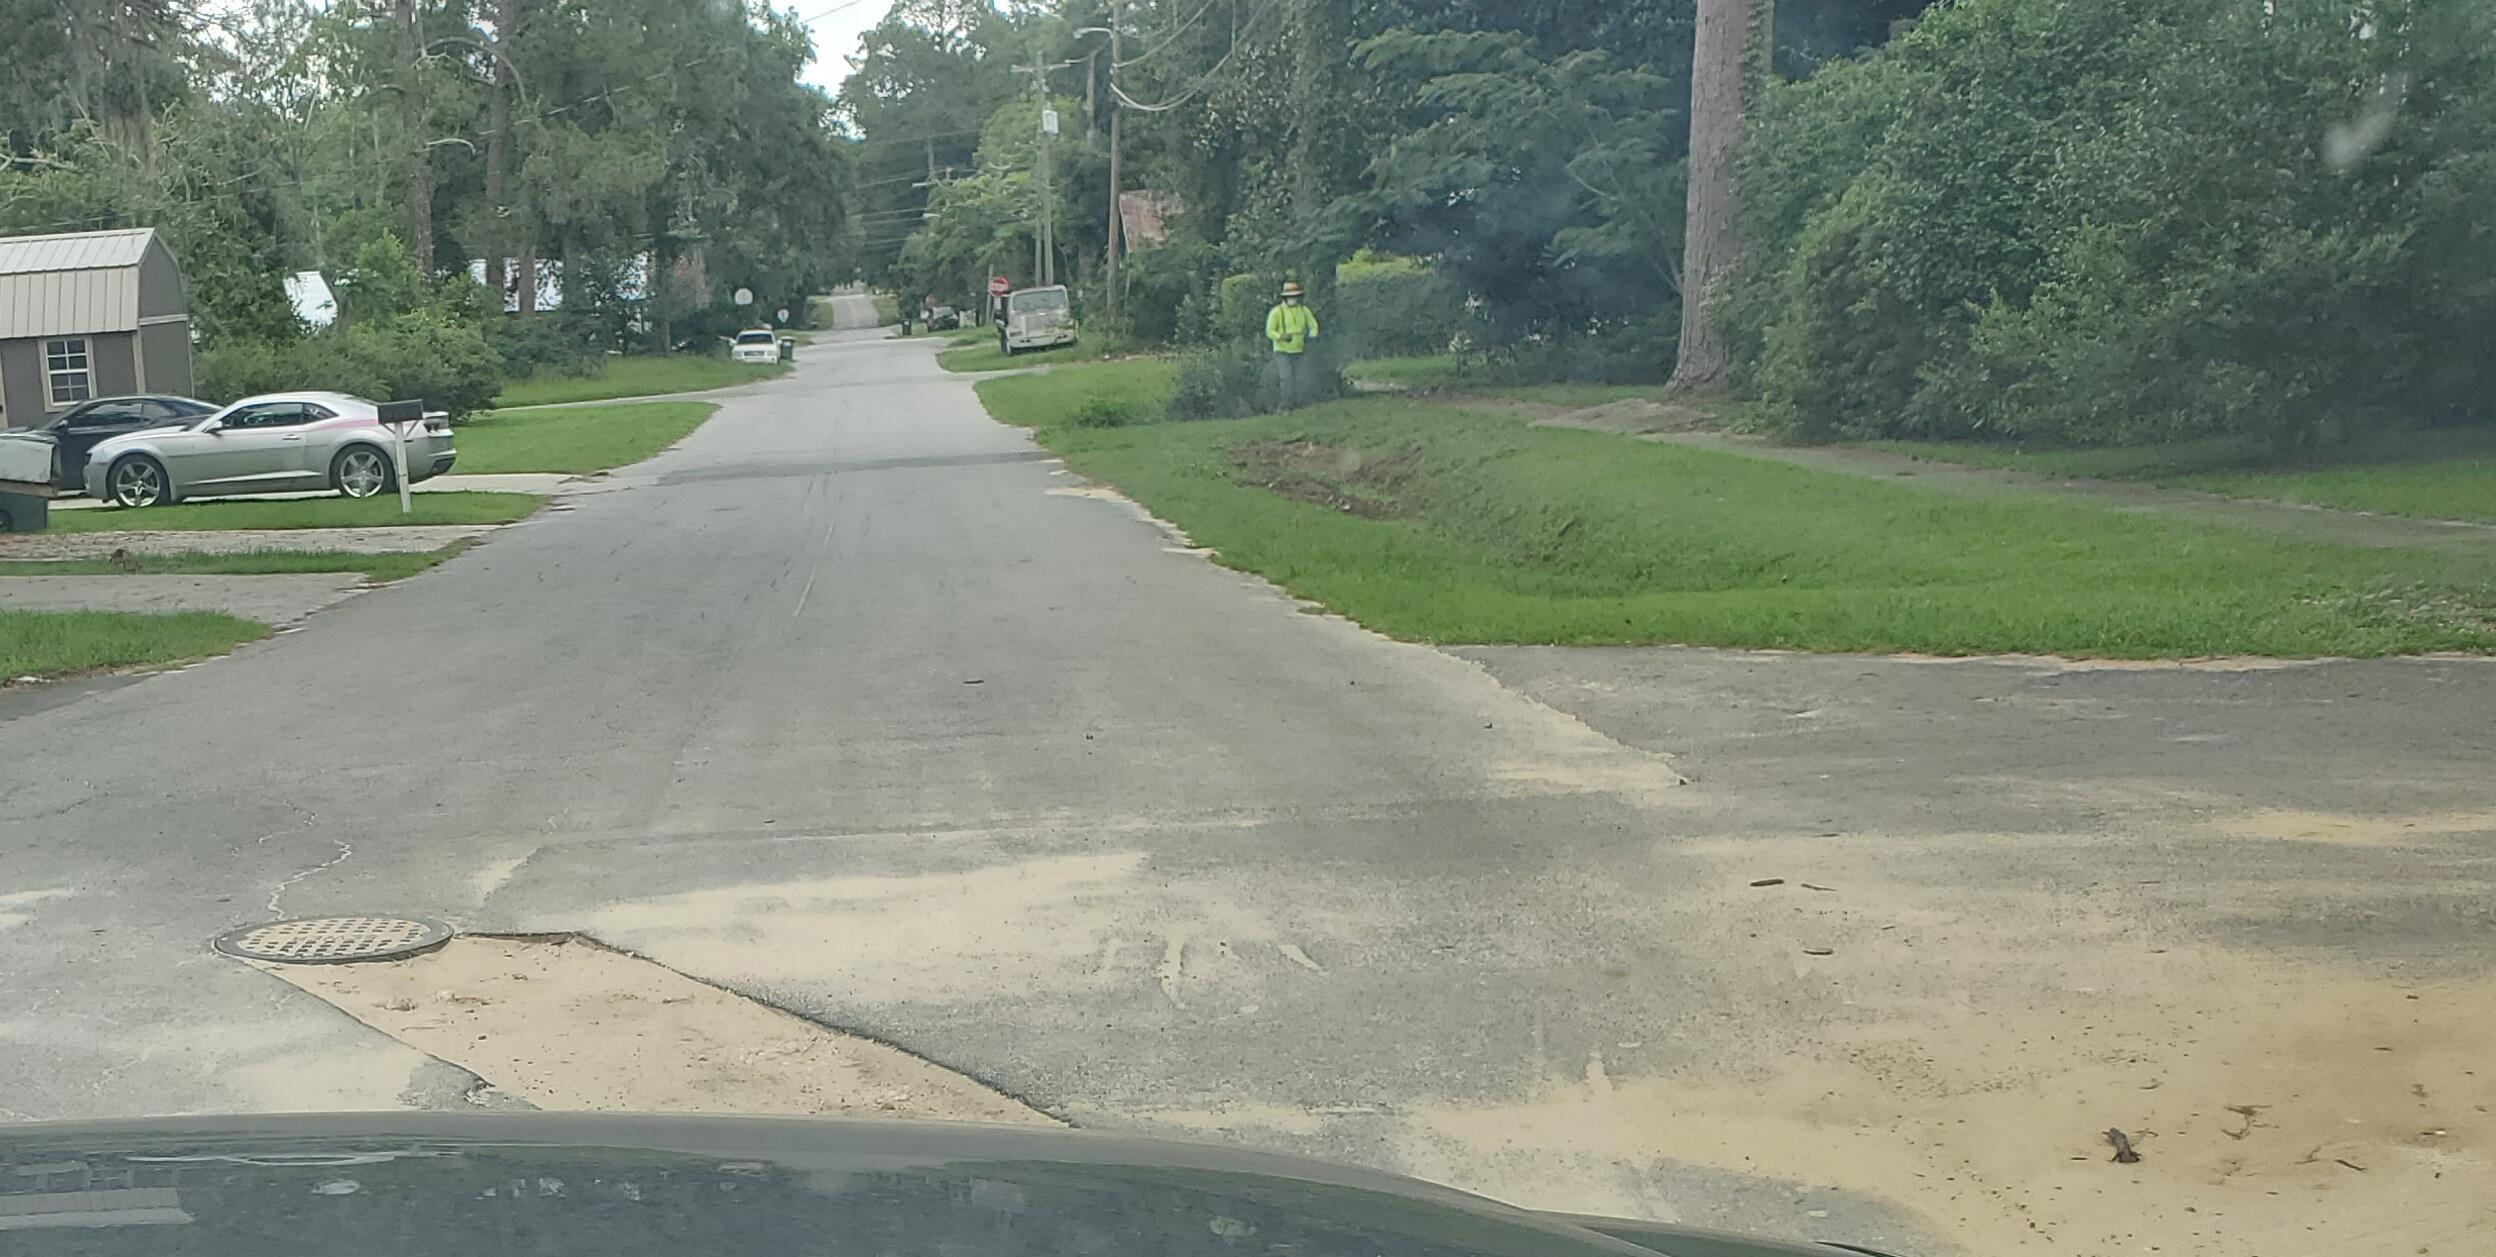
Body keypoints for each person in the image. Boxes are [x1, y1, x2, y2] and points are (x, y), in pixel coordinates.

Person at [1265, 281, 1321, 407]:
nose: (1293, 299)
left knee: (1303, 377)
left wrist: (1311, 337)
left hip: (1300, 349)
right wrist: (1280, 336)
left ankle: (1303, 402)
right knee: (1286, 378)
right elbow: (1269, 331)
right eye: (1290, 297)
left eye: (1295, 296)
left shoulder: (1303, 310)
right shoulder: (1276, 312)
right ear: (1285, 297)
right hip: (1282, 350)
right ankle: (1286, 404)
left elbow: (1313, 325)